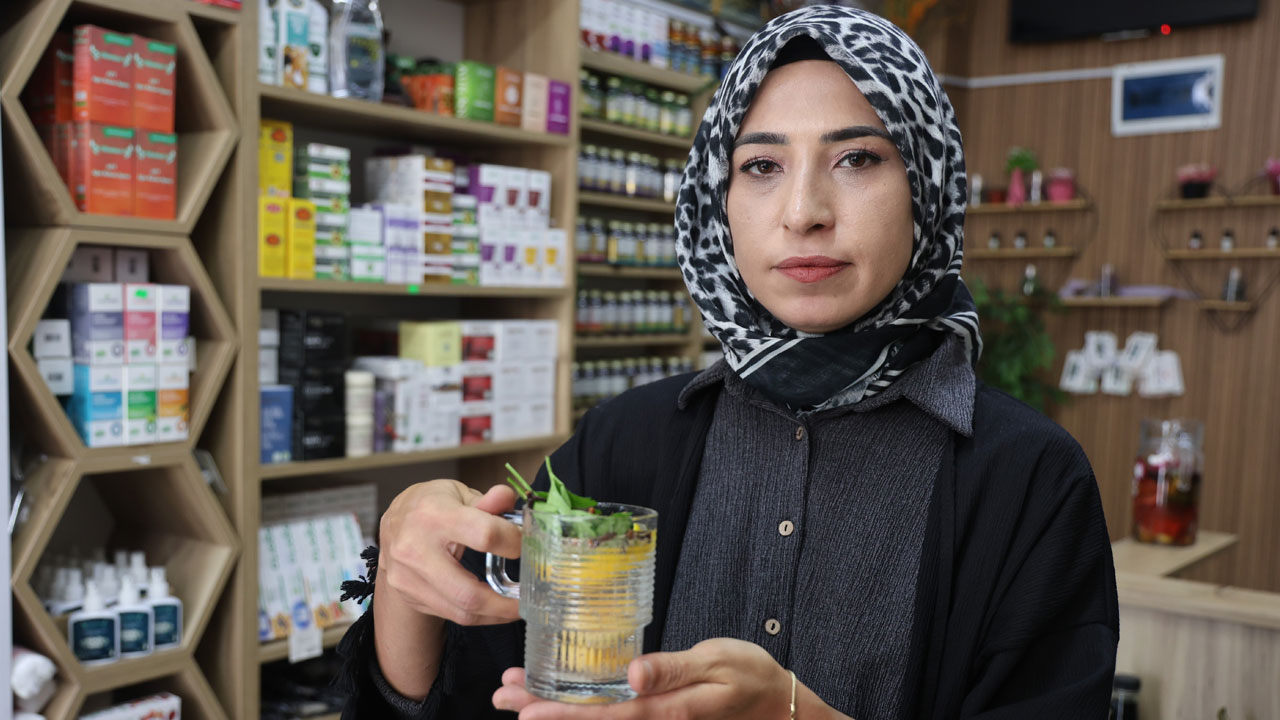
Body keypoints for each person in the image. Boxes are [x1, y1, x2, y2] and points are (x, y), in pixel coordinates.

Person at [337, 6, 1119, 719]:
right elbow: (478, 697)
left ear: (927, 185)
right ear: (718, 204)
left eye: (857, 158)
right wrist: (409, 591)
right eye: (762, 166)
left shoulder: (1031, 482)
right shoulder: (623, 442)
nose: (805, 211)